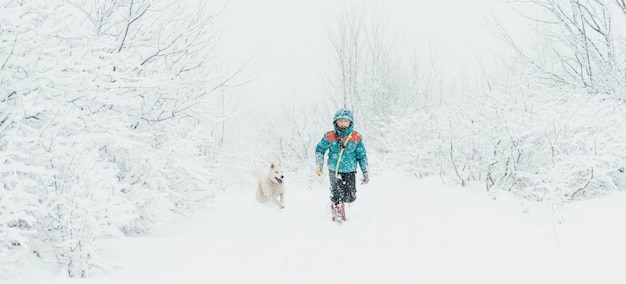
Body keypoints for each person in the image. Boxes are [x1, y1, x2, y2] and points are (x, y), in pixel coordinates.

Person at [315, 108, 369, 222]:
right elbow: (319, 150)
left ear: (350, 122)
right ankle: (337, 211)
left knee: (350, 196)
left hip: (350, 170)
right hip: (334, 171)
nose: (343, 123)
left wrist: (365, 171)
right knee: (336, 194)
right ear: (336, 122)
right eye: (341, 121)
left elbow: (362, 155)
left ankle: (342, 203)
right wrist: (319, 163)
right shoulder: (329, 136)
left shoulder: (356, 137)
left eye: (346, 121)